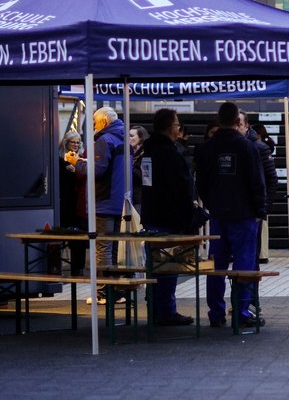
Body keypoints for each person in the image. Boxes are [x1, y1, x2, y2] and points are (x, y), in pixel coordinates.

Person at [196, 102, 266, 328]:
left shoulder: (207, 148)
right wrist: (259, 210)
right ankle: (242, 311)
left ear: (218, 120)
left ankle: (216, 312)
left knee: (217, 264)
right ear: (238, 121)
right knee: (244, 264)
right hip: (243, 213)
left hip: (219, 213)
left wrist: (211, 204)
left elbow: (202, 183)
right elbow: (257, 182)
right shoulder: (248, 148)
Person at [140, 108, 198, 326]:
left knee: (154, 265)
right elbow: (180, 188)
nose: (178, 128)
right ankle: (166, 310)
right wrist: (187, 215)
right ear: (168, 127)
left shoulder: (148, 152)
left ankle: (155, 308)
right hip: (168, 217)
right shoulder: (170, 154)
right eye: (176, 124)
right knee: (168, 267)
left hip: (151, 214)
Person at [76, 106, 130, 303]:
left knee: (102, 249)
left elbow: (97, 171)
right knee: (113, 248)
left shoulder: (104, 139)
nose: (94, 127)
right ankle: (114, 290)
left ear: (104, 122)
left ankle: (102, 292)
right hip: (121, 202)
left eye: (95, 123)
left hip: (104, 201)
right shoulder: (125, 139)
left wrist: (77, 163)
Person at [248, 121, 280, 264]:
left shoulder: (260, 148)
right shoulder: (266, 146)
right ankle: (262, 253)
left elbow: (271, 178)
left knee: (262, 226)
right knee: (263, 227)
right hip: (263, 193)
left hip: (262, 193)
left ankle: (262, 253)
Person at [57, 132, 87, 275]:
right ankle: (56, 267)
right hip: (65, 201)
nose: (75, 145)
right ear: (66, 143)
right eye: (73, 142)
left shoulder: (81, 159)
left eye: (78, 142)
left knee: (79, 237)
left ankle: (78, 268)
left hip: (78, 201)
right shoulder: (59, 159)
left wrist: (77, 170)